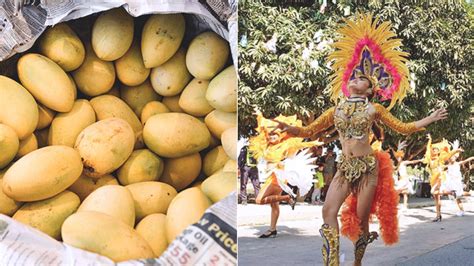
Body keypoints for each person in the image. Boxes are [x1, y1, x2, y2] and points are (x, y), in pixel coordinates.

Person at [272, 14, 448, 265]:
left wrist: (429, 119)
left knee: (361, 222)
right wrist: (289, 127)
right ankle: (331, 262)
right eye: (353, 76)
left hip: (367, 168)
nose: (355, 78)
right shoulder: (336, 110)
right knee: (327, 211)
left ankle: (356, 262)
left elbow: (405, 127)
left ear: (369, 90)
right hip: (345, 168)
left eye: (362, 78)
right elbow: (309, 131)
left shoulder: (375, 109)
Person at [249, 112, 322, 238]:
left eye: (275, 134)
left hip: (277, 177)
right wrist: (259, 115)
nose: (271, 136)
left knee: (259, 200)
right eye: (270, 134)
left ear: (281, 135)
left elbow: (299, 144)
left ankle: (287, 197)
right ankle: (272, 229)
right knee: (273, 205)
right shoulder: (267, 146)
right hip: (268, 175)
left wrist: (314, 143)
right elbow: (262, 126)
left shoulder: (285, 145)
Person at [423, 135, 462, 222]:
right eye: (433, 149)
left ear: (438, 151)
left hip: (439, 177)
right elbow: (428, 149)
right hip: (433, 179)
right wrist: (430, 140)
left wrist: (456, 150)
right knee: (437, 198)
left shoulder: (440, 159)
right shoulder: (430, 159)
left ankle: (451, 193)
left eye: (436, 149)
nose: (434, 150)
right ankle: (438, 216)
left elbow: (449, 155)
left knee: (432, 191)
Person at [440, 149, 473, 217]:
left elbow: (466, 160)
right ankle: (462, 209)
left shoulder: (458, 163)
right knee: (457, 196)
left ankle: (462, 210)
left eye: (453, 157)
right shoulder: (448, 165)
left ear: (455, 158)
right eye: (450, 158)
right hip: (450, 182)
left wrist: (472, 157)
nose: (451, 159)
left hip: (456, 183)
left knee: (457, 196)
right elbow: (442, 167)